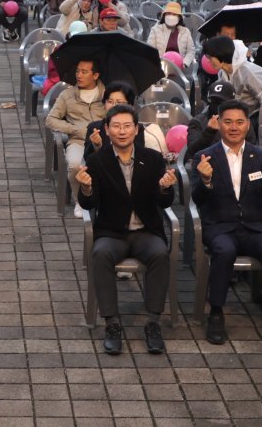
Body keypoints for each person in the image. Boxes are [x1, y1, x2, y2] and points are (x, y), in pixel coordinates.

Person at [190, 100, 262, 347]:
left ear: (248, 125)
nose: (234, 127)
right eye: (228, 122)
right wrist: (205, 181)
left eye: (239, 122)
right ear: (218, 124)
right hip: (220, 225)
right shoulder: (204, 156)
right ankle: (216, 313)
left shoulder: (261, 156)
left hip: (256, 225)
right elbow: (196, 199)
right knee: (224, 252)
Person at [77, 103, 176, 355]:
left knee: (159, 254)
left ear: (136, 130)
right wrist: (86, 188)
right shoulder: (97, 161)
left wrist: (166, 187)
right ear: (107, 130)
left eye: (127, 126)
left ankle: (153, 322)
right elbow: (89, 203)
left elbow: (164, 202)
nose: (122, 131)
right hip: (113, 232)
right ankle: (112, 323)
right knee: (99, 254)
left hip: (146, 232)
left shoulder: (152, 159)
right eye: (116, 126)